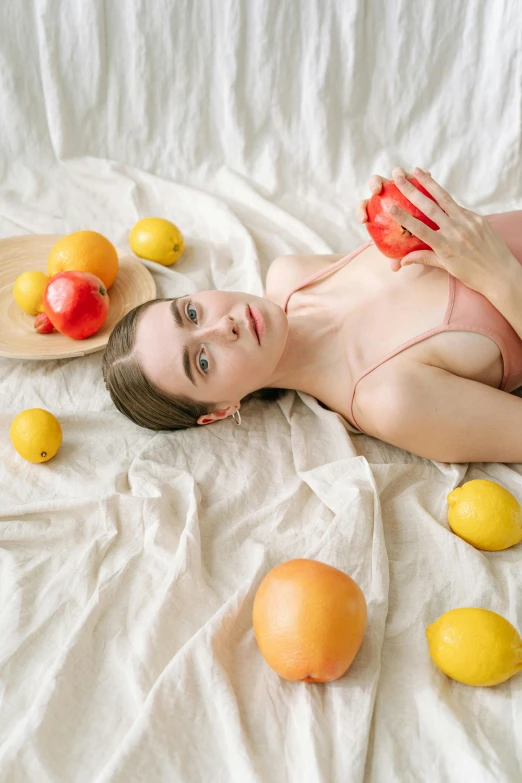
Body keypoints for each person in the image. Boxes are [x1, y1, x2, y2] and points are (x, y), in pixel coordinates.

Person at [102, 166, 522, 463]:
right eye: (203, 361)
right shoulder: (390, 400)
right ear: (222, 411)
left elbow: (456, 248)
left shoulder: (293, 274)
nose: (221, 326)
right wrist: (499, 276)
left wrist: (411, 212)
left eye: (191, 312)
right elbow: (485, 266)